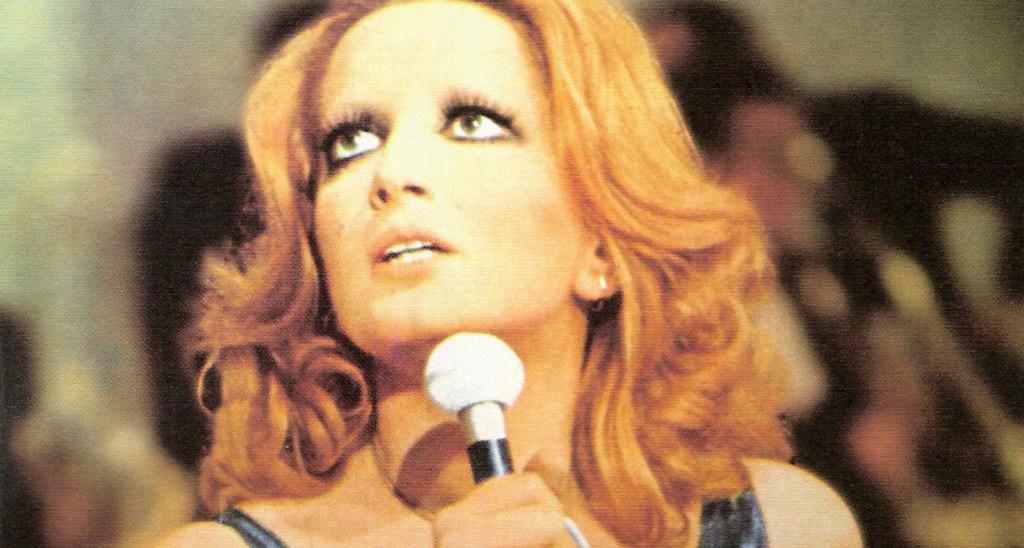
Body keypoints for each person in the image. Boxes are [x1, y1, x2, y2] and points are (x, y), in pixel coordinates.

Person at [159, 0, 861, 545]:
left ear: (602, 245)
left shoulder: (786, 526)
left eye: (473, 123)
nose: (392, 172)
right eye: (351, 142)